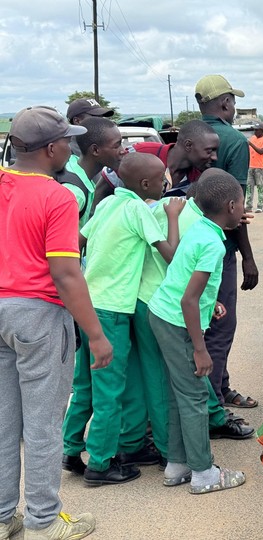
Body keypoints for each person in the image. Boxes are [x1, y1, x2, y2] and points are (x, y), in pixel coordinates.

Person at [0, 106, 112, 540]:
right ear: (51, 149)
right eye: (68, 139)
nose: (72, 145)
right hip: (38, 316)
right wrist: (97, 334)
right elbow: (66, 274)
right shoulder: (58, 197)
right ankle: (44, 522)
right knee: (44, 424)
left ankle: (5, 515)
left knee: (6, 422)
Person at [62, 153, 185, 486]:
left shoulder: (107, 205)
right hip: (113, 311)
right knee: (110, 388)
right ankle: (100, 464)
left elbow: (77, 242)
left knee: (85, 383)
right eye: (162, 180)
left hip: (87, 303)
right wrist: (173, 215)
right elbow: (171, 255)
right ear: (146, 185)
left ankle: (71, 449)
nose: (166, 185)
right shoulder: (137, 210)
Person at [148, 168, 247, 493]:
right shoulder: (214, 245)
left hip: (162, 313)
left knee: (181, 395)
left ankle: (177, 465)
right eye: (242, 202)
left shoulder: (199, 227)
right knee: (194, 397)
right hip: (176, 320)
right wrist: (200, 350)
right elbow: (189, 300)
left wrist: (211, 304)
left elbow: (188, 282)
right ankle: (204, 473)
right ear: (232, 206)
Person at [195, 74, 259, 409]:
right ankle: (213, 408)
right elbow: (234, 208)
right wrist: (247, 256)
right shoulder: (233, 141)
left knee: (203, 325)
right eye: (233, 101)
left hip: (186, 247)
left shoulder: (190, 135)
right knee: (220, 326)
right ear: (225, 103)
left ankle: (220, 386)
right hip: (218, 249)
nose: (233, 107)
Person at [93, 119, 220, 209]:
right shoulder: (140, 153)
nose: (215, 157)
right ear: (188, 145)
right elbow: (102, 190)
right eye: (209, 151)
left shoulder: (198, 180)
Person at [57, 117, 126, 228]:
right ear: (95, 150)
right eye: (116, 145)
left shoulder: (73, 165)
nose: (123, 151)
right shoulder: (75, 193)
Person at [245, 122, 263, 213]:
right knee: (249, 187)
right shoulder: (252, 138)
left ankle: (260, 206)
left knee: (260, 186)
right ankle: (249, 206)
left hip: (260, 167)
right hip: (250, 166)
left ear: (261, 130)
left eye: (257, 130)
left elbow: (261, 151)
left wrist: (251, 144)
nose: (255, 132)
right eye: (254, 130)